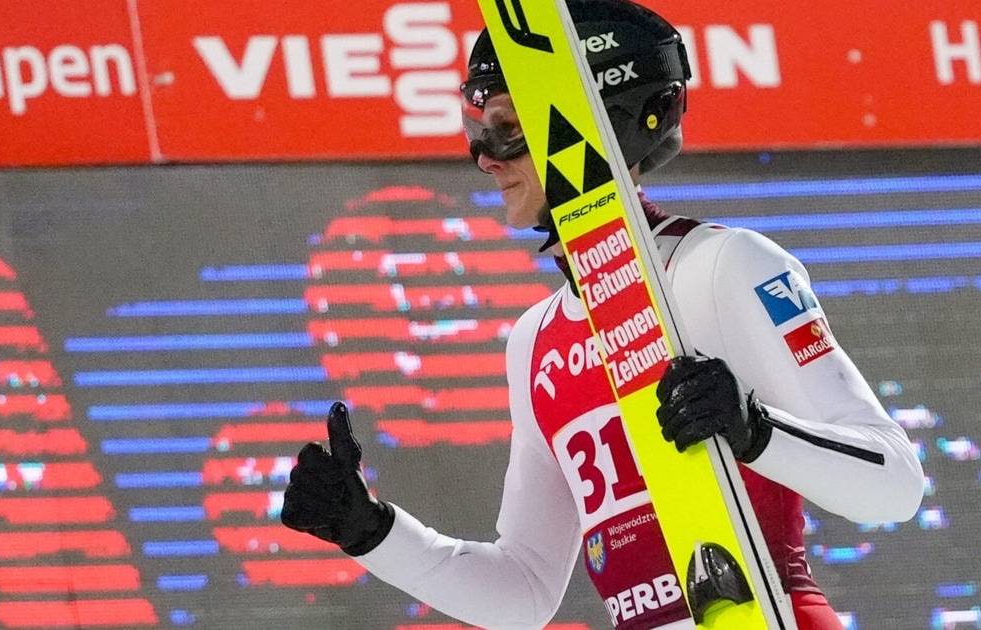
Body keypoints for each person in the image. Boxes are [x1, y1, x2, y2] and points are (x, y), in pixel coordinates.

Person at [280, 1, 925, 628]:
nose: (486, 155)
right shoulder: (534, 340)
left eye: (511, 127)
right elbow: (525, 590)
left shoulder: (722, 265)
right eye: (481, 127)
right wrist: (372, 532)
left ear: (603, 118)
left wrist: (752, 430)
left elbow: (894, 485)